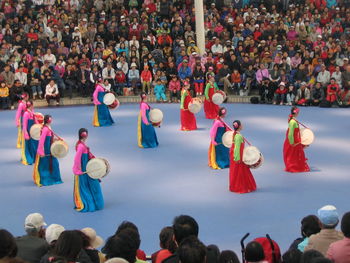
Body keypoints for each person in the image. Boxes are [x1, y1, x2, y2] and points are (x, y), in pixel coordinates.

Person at [73, 128, 104, 212]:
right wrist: (76, 170)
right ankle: (90, 203)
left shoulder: (81, 144)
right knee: (87, 186)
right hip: (84, 169)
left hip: (87, 167)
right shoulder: (81, 146)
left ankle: (94, 202)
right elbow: (77, 159)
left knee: (89, 185)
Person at [32, 115, 63, 187]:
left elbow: (49, 139)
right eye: (50, 120)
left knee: (53, 164)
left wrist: (56, 140)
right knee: (47, 165)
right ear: (48, 121)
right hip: (47, 150)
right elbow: (42, 141)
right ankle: (47, 179)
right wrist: (41, 151)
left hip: (51, 148)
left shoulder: (48, 127)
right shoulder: (45, 129)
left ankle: (54, 178)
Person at [229, 120, 256, 194]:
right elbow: (237, 148)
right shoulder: (238, 136)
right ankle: (239, 186)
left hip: (237, 155)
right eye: (241, 124)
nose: (242, 125)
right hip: (238, 157)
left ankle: (235, 185)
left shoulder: (236, 134)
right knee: (239, 172)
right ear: (239, 126)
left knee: (237, 171)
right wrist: (237, 158)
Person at [283, 106, 310, 173]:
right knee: (294, 153)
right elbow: (290, 133)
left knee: (294, 153)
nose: (298, 113)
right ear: (296, 113)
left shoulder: (292, 119)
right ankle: (294, 166)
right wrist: (292, 142)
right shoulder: (293, 122)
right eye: (298, 112)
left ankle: (295, 164)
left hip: (295, 139)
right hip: (293, 140)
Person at [21, 101, 39, 165]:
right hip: (28, 131)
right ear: (31, 106)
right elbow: (24, 125)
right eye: (32, 105)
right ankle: (30, 157)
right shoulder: (26, 114)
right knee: (28, 145)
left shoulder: (32, 112)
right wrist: (26, 133)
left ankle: (34, 157)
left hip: (33, 131)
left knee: (34, 144)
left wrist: (39, 127)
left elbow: (35, 120)